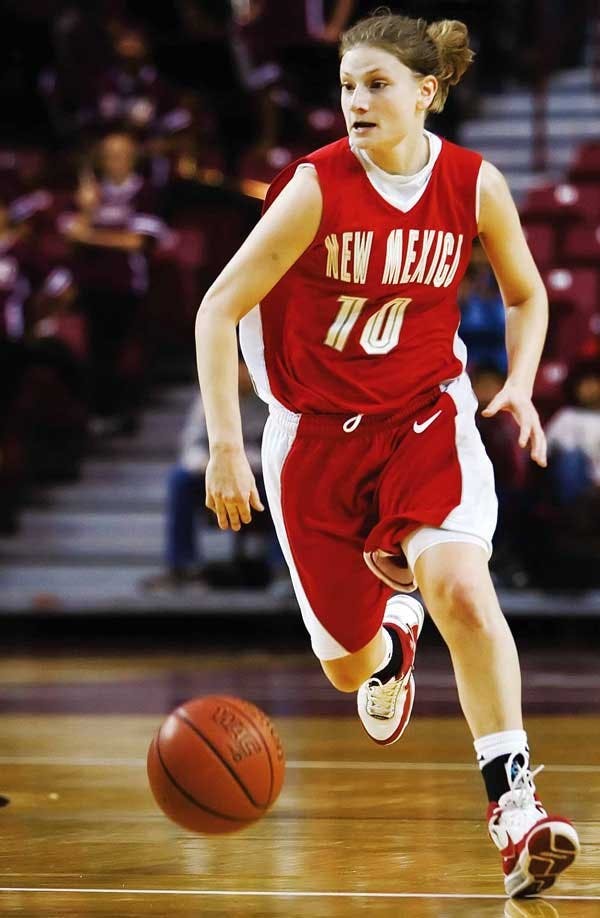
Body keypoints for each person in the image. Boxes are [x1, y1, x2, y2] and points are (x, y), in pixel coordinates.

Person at [195, 11, 579, 898]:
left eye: (376, 84)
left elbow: (525, 294)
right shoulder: (313, 188)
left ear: (425, 93)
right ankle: (393, 649)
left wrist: (518, 381)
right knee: (345, 666)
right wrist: (226, 446)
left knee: (462, 590)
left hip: (422, 417)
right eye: (346, 86)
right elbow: (218, 309)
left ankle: (515, 809)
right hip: (313, 436)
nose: (357, 102)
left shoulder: (475, 184)